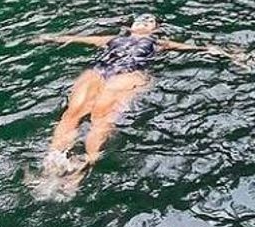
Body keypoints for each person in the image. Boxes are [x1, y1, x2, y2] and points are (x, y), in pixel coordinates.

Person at [35, 13, 240, 184]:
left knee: (102, 114)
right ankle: (53, 157)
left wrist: (222, 52)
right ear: (131, 25)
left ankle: (87, 161)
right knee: (73, 111)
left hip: (130, 72)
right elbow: (81, 39)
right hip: (102, 70)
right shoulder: (111, 39)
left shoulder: (159, 43)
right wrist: (51, 38)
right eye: (141, 19)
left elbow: (191, 48)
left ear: (155, 28)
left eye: (150, 21)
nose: (144, 21)